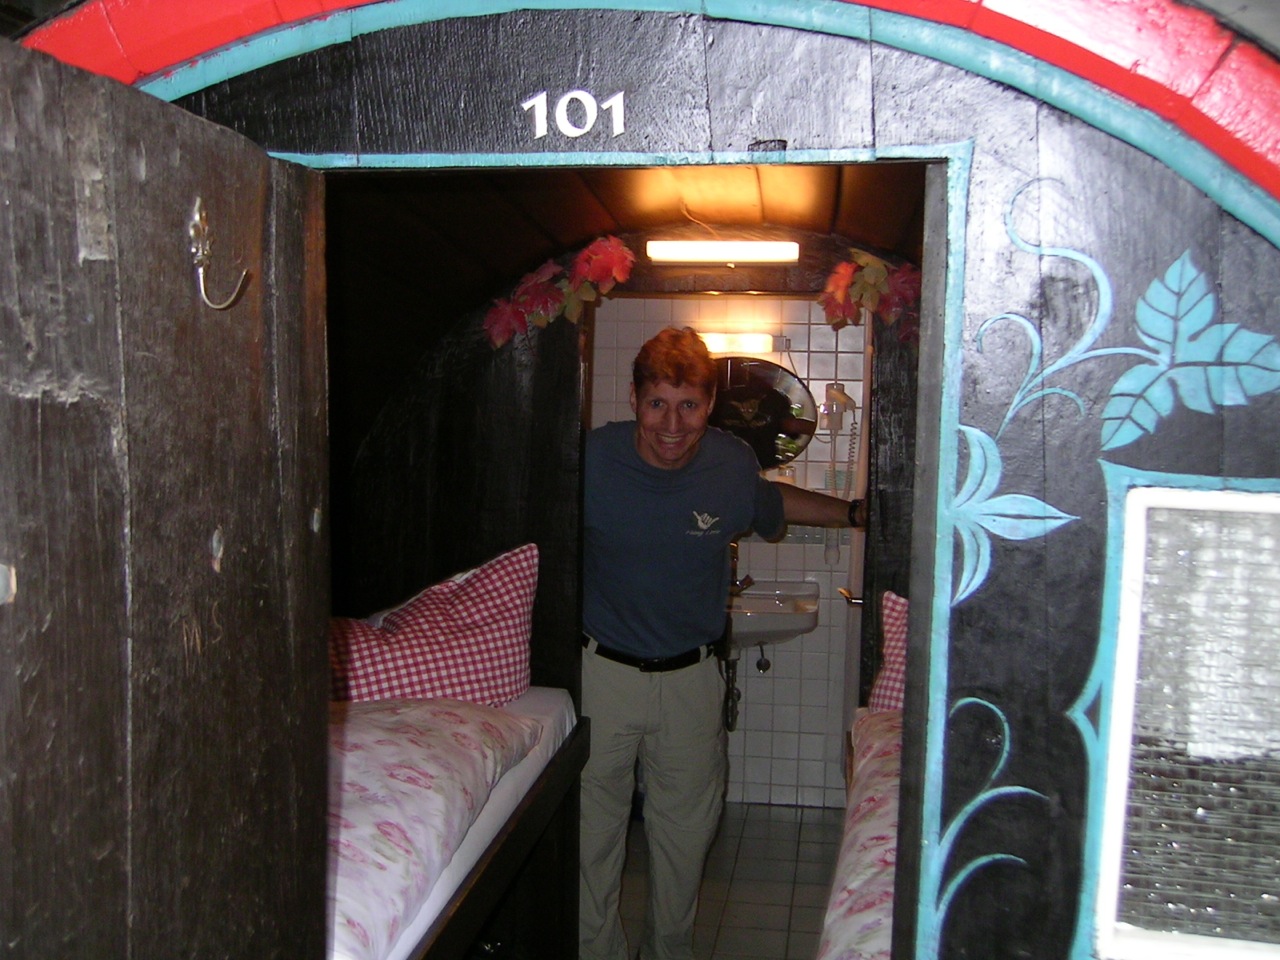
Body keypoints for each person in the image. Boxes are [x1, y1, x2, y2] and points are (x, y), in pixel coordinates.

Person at [579, 326, 864, 960]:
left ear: (709, 404)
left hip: (692, 681)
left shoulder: (730, 462)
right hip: (603, 678)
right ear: (634, 399)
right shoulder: (591, 459)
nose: (672, 424)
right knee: (589, 841)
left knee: (683, 841)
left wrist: (852, 513)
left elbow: (770, 503)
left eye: (689, 405)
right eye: (658, 403)